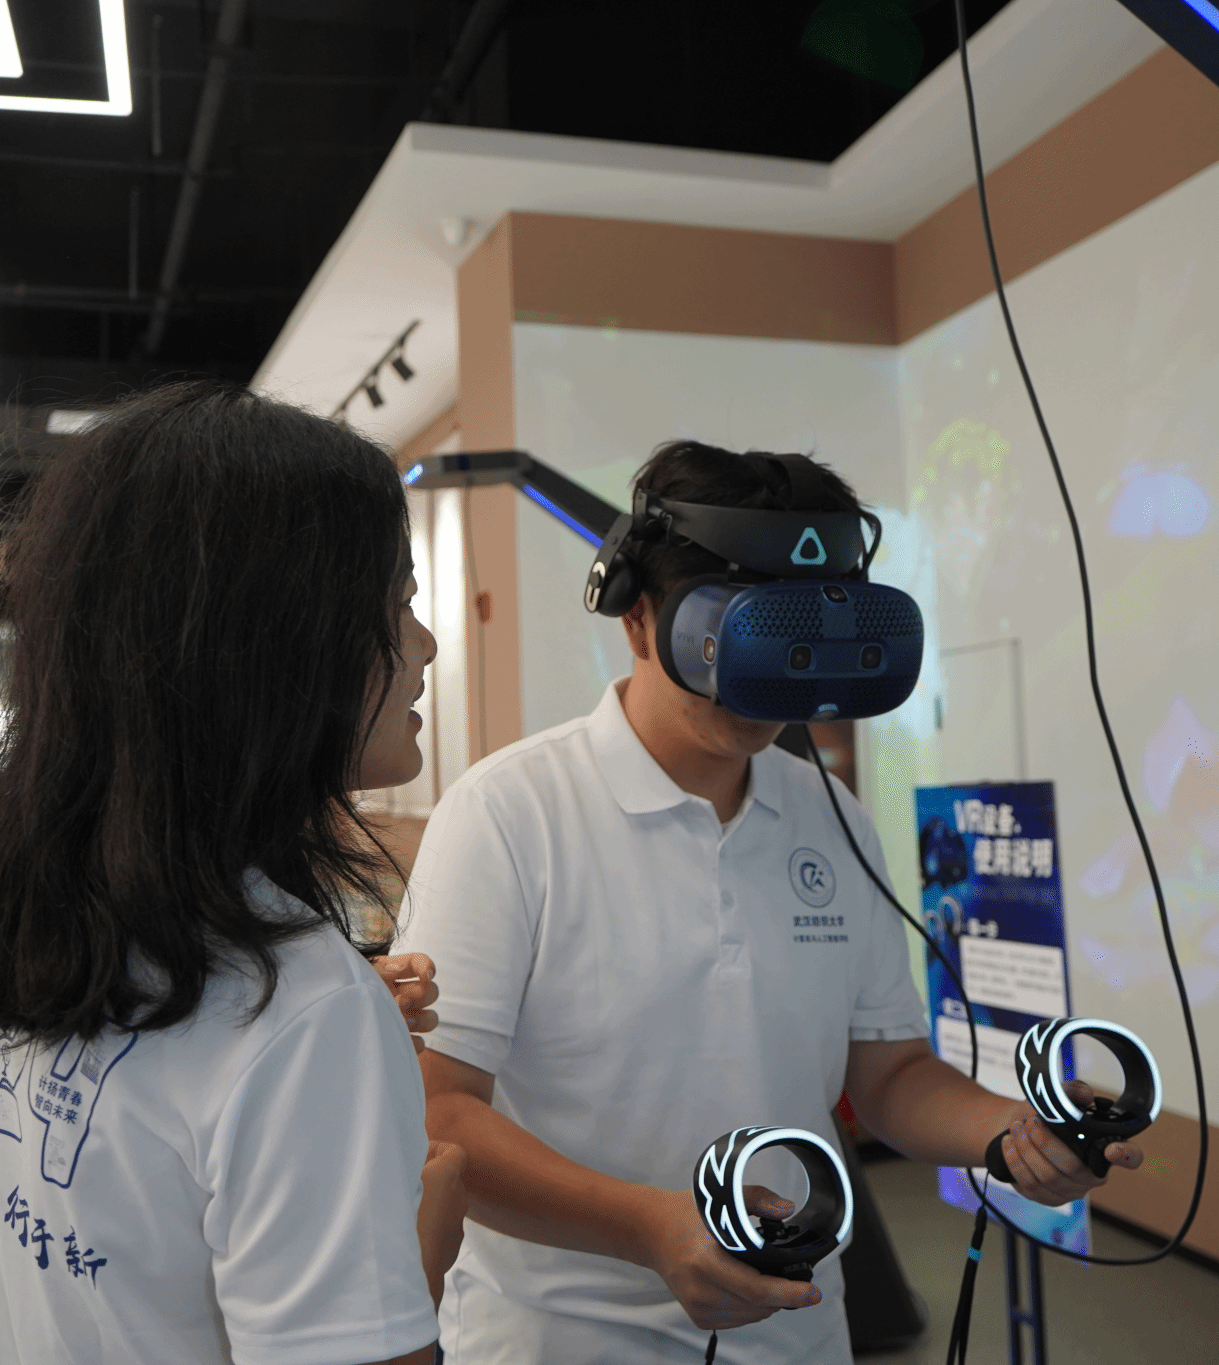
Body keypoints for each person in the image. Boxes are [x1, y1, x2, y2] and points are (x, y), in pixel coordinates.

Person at [398, 442, 1142, 1364]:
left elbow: (890, 1076)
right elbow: (439, 1116)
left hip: (797, 1328)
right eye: (733, 635)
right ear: (638, 616)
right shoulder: (509, 813)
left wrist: (1013, 1130)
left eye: (799, 638)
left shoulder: (833, 821)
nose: (769, 681)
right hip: (563, 1339)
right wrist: (651, 1226)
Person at [0, 382, 464, 1365]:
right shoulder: (303, 1011)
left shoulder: (0, 923)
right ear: (278, 645)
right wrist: (424, 1246)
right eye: (398, 603)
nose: (426, 645)